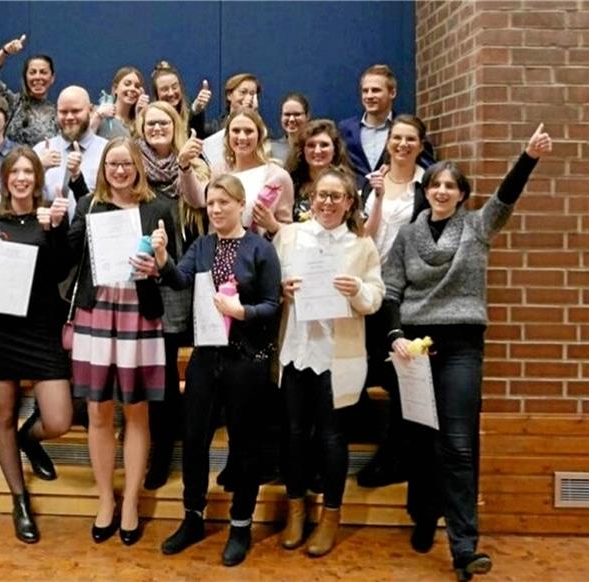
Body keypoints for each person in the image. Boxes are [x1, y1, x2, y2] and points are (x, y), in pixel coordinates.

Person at [382, 124, 552, 581]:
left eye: (451, 186)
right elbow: (391, 288)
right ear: (427, 191)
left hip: (461, 347)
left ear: (461, 195)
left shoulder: (478, 227)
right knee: (418, 440)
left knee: (457, 443)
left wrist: (527, 157)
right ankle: (422, 516)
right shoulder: (406, 236)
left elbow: (506, 198)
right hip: (414, 348)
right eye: (435, 184)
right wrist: (395, 333)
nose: (442, 191)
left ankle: (463, 546)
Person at [155, 174, 282, 567]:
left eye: (224, 202)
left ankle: (240, 525)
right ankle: (192, 517)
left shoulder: (260, 249)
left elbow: (272, 305)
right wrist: (162, 259)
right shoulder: (203, 245)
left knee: (245, 446)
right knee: (193, 439)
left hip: (247, 359)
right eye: (210, 203)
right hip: (206, 357)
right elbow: (178, 279)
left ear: (240, 204)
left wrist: (243, 312)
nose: (215, 209)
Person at [66, 137, 176, 546]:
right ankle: (105, 500)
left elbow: (172, 272)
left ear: (138, 167)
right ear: (102, 168)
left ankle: (131, 501)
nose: (119, 170)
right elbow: (69, 257)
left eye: (126, 163)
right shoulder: (89, 206)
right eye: (112, 163)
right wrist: (69, 219)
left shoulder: (158, 208)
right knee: (97, 412)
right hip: (95, 313)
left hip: (139, 315)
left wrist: (161, 259)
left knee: (136, 412)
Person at [273, 168, 384, 556]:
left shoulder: (361, 245)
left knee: (334, 439)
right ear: (311, 197)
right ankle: (296, 512)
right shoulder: (288, 237)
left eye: (337, 196)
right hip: (296, 349)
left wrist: (358, 291)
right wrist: (280, 290)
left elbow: (376, 297)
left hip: (337, 354)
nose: (328, 202)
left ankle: (330, 518)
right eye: (322, 195)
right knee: (294, 434)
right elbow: (268, 285)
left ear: (350, 202)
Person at [0, 147, 73, 543]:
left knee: (60, 419)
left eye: (29, 172)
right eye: (15, 172)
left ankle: (30, 439)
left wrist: (55, 229)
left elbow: (63, 269)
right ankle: (19, 499)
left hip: (42, 329)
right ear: (5, 178)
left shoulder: (51, 218)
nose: (22, 179)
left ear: (38, 178)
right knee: (2, 414)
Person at [134, 101, 209, 489]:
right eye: (151, 123)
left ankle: (167, 448)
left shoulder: (193, 161)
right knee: (150, 374)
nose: (158, 128)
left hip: (181, 277)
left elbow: (200, 204)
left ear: (176, 124)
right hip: (140, 280)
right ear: (141, 128)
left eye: (165, 122)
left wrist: (183, 167)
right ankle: (149, 447)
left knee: (169, 372)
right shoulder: (132, 165)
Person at [356, 114, 431, 489]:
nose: (402, 144)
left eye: (410, 139)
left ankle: (396, 457)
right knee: (374, 372)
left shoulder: (427, 185)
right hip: (373, 288)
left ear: (420, 144)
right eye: (396, 138)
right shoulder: (376, 182)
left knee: (402, 377)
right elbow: (368, 233)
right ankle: (392, 450)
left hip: (406, 294)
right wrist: (380, 197)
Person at [338, 64, 434, 188]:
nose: (369, 96)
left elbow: (428, 169)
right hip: (354, 202)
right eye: (365, 91)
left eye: (376, 90)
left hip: (395, 199)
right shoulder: (345, 129)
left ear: (392, 93)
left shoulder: (408, 129)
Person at [205, 109, 293, 239]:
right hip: (220, 252)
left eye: (249, 131)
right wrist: (185, 167)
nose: (242, 137)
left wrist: (272, 225)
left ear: (259, 135)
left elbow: (289, 232)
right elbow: (198, 200)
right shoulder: (217, 171)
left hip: (259, 255)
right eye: (235, 131)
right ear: (227, 135)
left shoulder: (278, 176)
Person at [32, 85, 107, 220]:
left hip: (91, 234)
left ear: (90, 110)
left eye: (76, 111)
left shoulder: (107, 151)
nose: (69, 117)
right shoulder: (40, 151)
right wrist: (38, 168)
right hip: (49, 235)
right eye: (63, 112)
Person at [0, 34, 58, 146]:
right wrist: (5, 52)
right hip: (11, 162)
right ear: (25, 77)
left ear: (52, 78)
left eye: (43, 72)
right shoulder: (13, 102)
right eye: (32, 72)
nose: (37, 77)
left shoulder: (57, 113)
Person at [286, 119, 354, 222]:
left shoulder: (348, 184)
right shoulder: (290, 183)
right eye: (311, 145)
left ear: (335, 149)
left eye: (324, 145)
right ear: (302, 150)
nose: (317, 151)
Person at [202, 73, 261, 166]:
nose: (248, 98)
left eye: (252, 94)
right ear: (229, 95)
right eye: (243, 92)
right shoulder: (214, 127)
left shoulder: (260, 129)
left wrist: (253, 114)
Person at [151, 60, 212, 138]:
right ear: (156, 94)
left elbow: (197, 138)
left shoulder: (190, 115)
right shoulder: (151, 120)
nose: (171, 93)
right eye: (165, 89)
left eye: (174, 87)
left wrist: (196, 111)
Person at [93, 66, 148, 139]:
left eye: (137, 86)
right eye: (127, 84)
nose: (132, 89)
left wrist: (140, 114)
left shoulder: (141, 120)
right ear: (115, 89)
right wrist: (97, 116)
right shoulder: (102, 115)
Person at [270, 93, 310, 163]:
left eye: (297, 114)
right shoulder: (270, 149)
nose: (291, 119)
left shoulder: (315, 148)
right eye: (287, 114)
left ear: (307, 116)